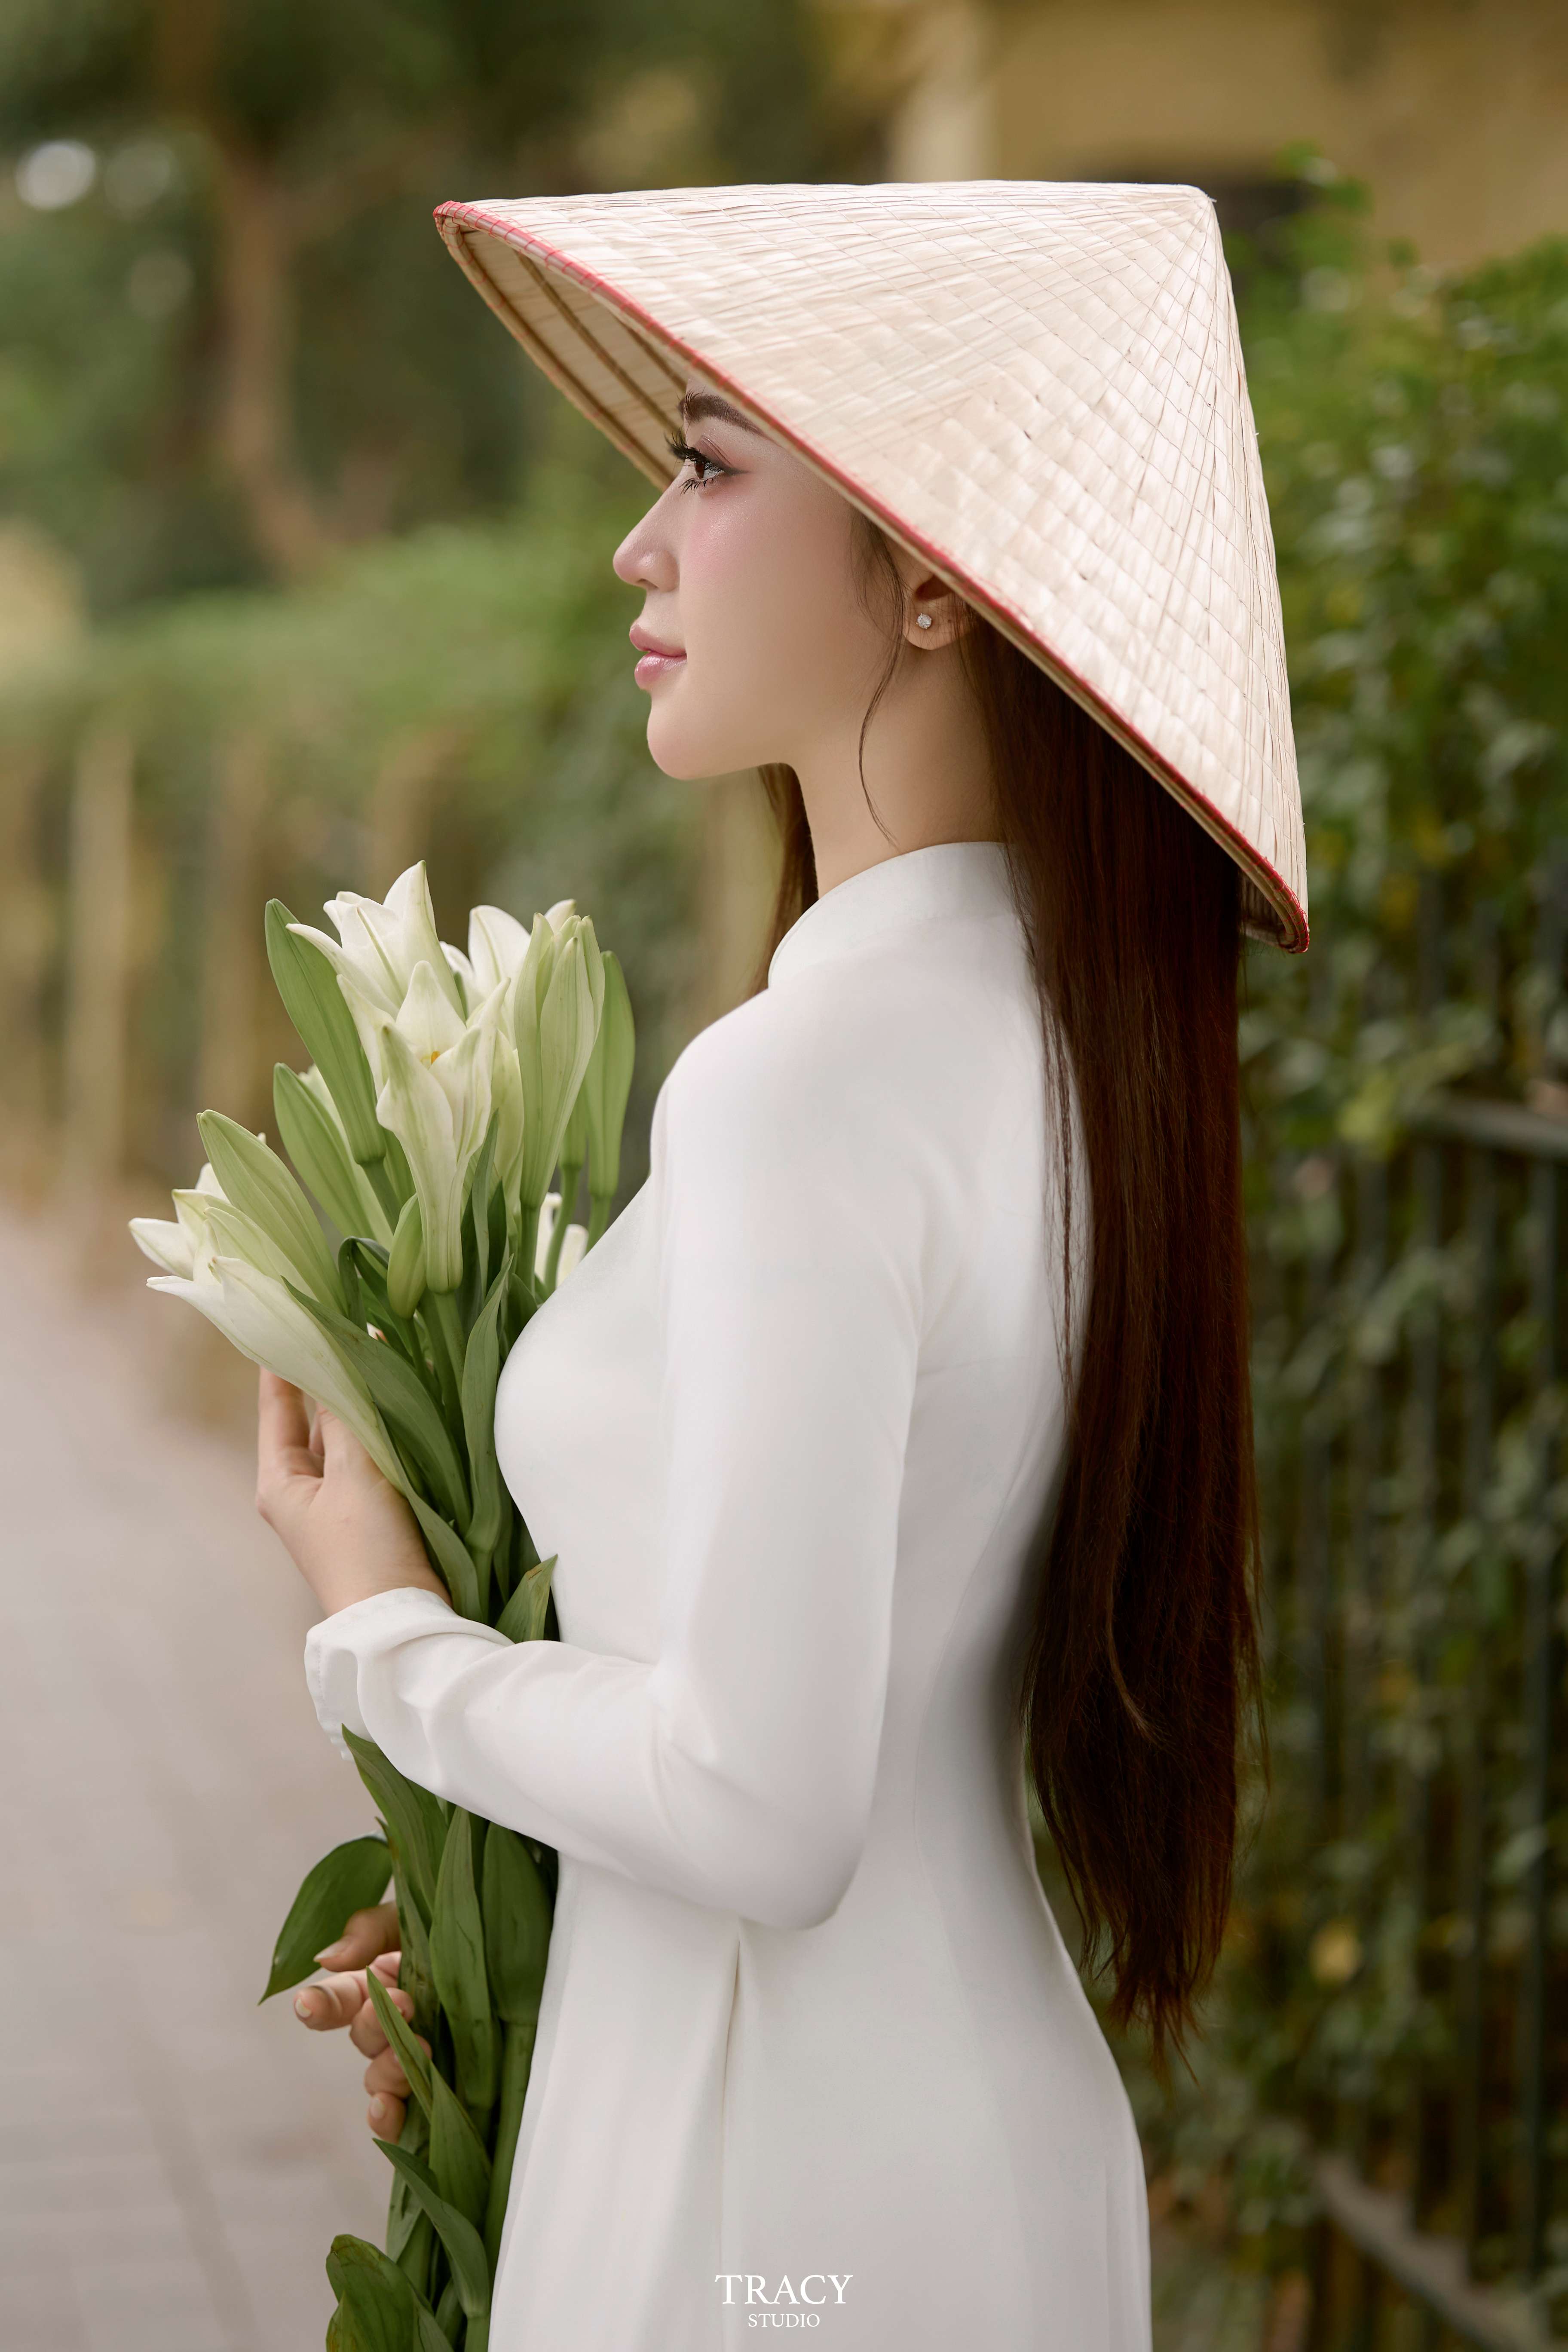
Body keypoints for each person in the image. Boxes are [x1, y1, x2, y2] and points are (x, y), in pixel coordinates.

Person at [257, 181, 1307, 2351]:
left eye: (711, 464)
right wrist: (489, 1906)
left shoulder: (796, 1085)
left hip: (777, 2220)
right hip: (952, 2144)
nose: (642, 545)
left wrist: (379, 1632)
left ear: (929, 577)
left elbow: (759, 1802)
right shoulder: (1066, 1041)